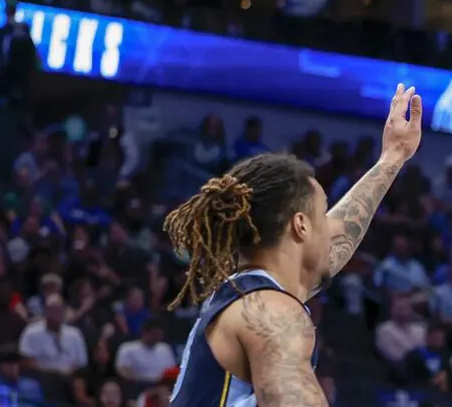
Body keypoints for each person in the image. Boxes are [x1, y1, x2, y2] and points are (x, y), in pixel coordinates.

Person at [165, 84, 423, 407]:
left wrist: (392, 158)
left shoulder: (248, 294)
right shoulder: (274, 312)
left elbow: (343, 233)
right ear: (300, 226)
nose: (331, 228)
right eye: (322, 214)